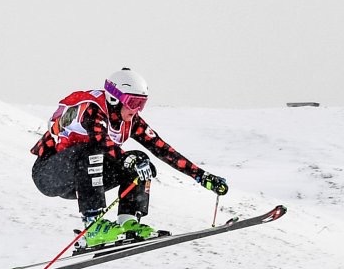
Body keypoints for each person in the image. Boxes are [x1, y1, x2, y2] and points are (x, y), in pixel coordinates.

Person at [29, 68, 228, 249]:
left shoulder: (131, 120)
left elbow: (162, 149)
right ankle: (93, 226)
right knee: (96, 152)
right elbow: (100, 140)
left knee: (140, 159)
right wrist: (126, 160)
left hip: (83, 180)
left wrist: (202, 176)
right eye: (133, 102)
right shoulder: (92, 108)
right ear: (115, 98)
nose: (136, 110)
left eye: (142, 104)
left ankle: (128, 222)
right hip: (50, 174)